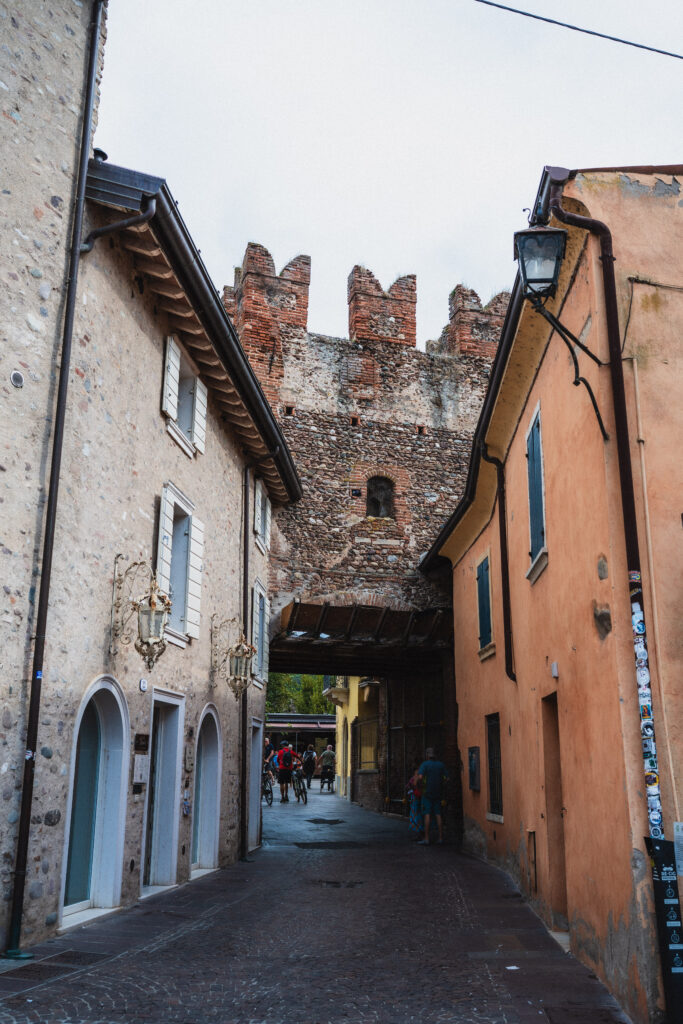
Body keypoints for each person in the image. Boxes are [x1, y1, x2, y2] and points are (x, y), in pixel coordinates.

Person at [416, 748, 448, 845]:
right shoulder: (441, 765)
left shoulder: (424, 765)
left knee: (427, 814)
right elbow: (447, 778)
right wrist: (441, 785)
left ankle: (426, 838)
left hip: (427, 793)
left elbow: (420, 777)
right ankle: (441, 838)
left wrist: (419, 786)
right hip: (438, 793)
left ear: (427, 755)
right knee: (438, 815)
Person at [407, 767, 424, 840]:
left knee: (417, 816)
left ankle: (420, 833)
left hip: (416, 799)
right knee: (420, 815)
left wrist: (412, 788)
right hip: (421, 798)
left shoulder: (414, 779)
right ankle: (421, 833)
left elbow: (408, 786)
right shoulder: (422, 779)